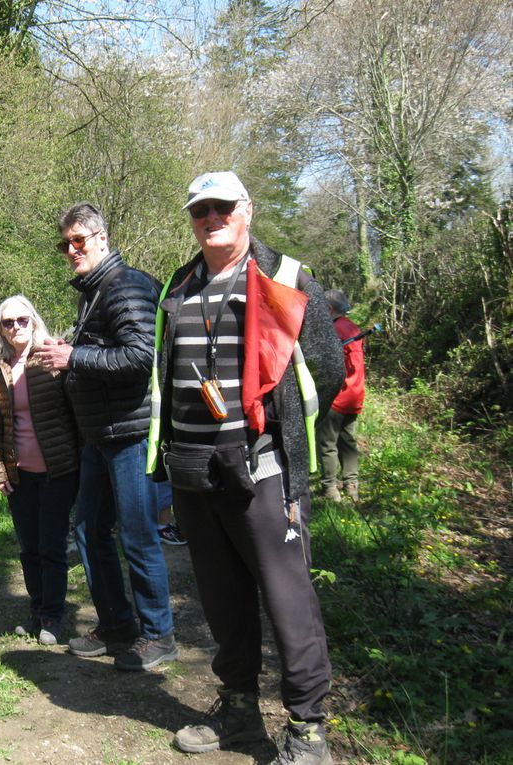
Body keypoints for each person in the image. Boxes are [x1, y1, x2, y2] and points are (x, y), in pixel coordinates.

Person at [147, 171, 344, 764]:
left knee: (288, 599)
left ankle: (308, 729)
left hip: (262, 472)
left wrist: (280, 441)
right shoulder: (177, 289)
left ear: (247, 211)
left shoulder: (285, 276)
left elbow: (327, 369)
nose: (212, 219)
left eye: (222, 208)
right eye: (200, 211)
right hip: (193, 470)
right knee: (221, 599)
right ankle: (238, 711)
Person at [37, 202, 177, 671]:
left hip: (132, 433)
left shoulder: (125, 286)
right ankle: (118, 623)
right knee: (88, 529)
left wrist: (72, 359)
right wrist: (70, 351)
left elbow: (140, 358)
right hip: (102, 434)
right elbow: (107, 349)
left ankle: (158, 634)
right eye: (65, 244)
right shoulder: (95, 291)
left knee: (137, 535)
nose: (71, 250)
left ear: (101, 238)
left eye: (79, 240)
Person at [0, 296, 80, 645]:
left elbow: (76, 413)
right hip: (18, 474)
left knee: (51, 546)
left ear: (33, 321)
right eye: (8, 323)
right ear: (0, 329)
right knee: (29, 548)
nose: (16, 327)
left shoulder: (53, 358)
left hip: (57, 470)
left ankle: (53, 616)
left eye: (22, 320)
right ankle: (37, 610)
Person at [317, 289, 365, 502]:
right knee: (348, 441)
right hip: (355, 394)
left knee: (328, 444)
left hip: (337, 396)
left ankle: (330, 490)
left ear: (328, 309)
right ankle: (352, 486)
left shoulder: (334, 330)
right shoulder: (353, 327)